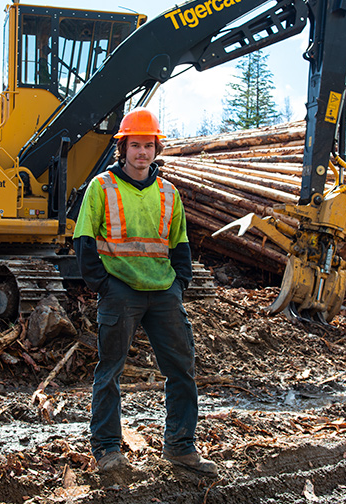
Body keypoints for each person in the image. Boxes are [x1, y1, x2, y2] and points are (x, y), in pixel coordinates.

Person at [73, 108, 218, 477]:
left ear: (156, 149)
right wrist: (104, 286)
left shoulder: (168, 193)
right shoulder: (101, 187)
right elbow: (84, 241)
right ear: (123, 148)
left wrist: (178, 285)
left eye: (148, 145)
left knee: (182, 370)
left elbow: (180, 243)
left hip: (163, 292)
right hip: (120, 291)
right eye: (135, 145)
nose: (142, 152)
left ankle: (181, 447)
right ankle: (107, 450)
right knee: (110, 372)